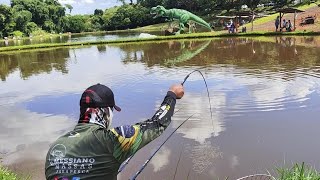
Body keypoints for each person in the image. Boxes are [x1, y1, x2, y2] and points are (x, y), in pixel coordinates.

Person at [45, 83, 184, 180]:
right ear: (106, 111)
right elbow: (157, 124)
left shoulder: (55, 147)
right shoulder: (112, 139)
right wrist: (172, 94)